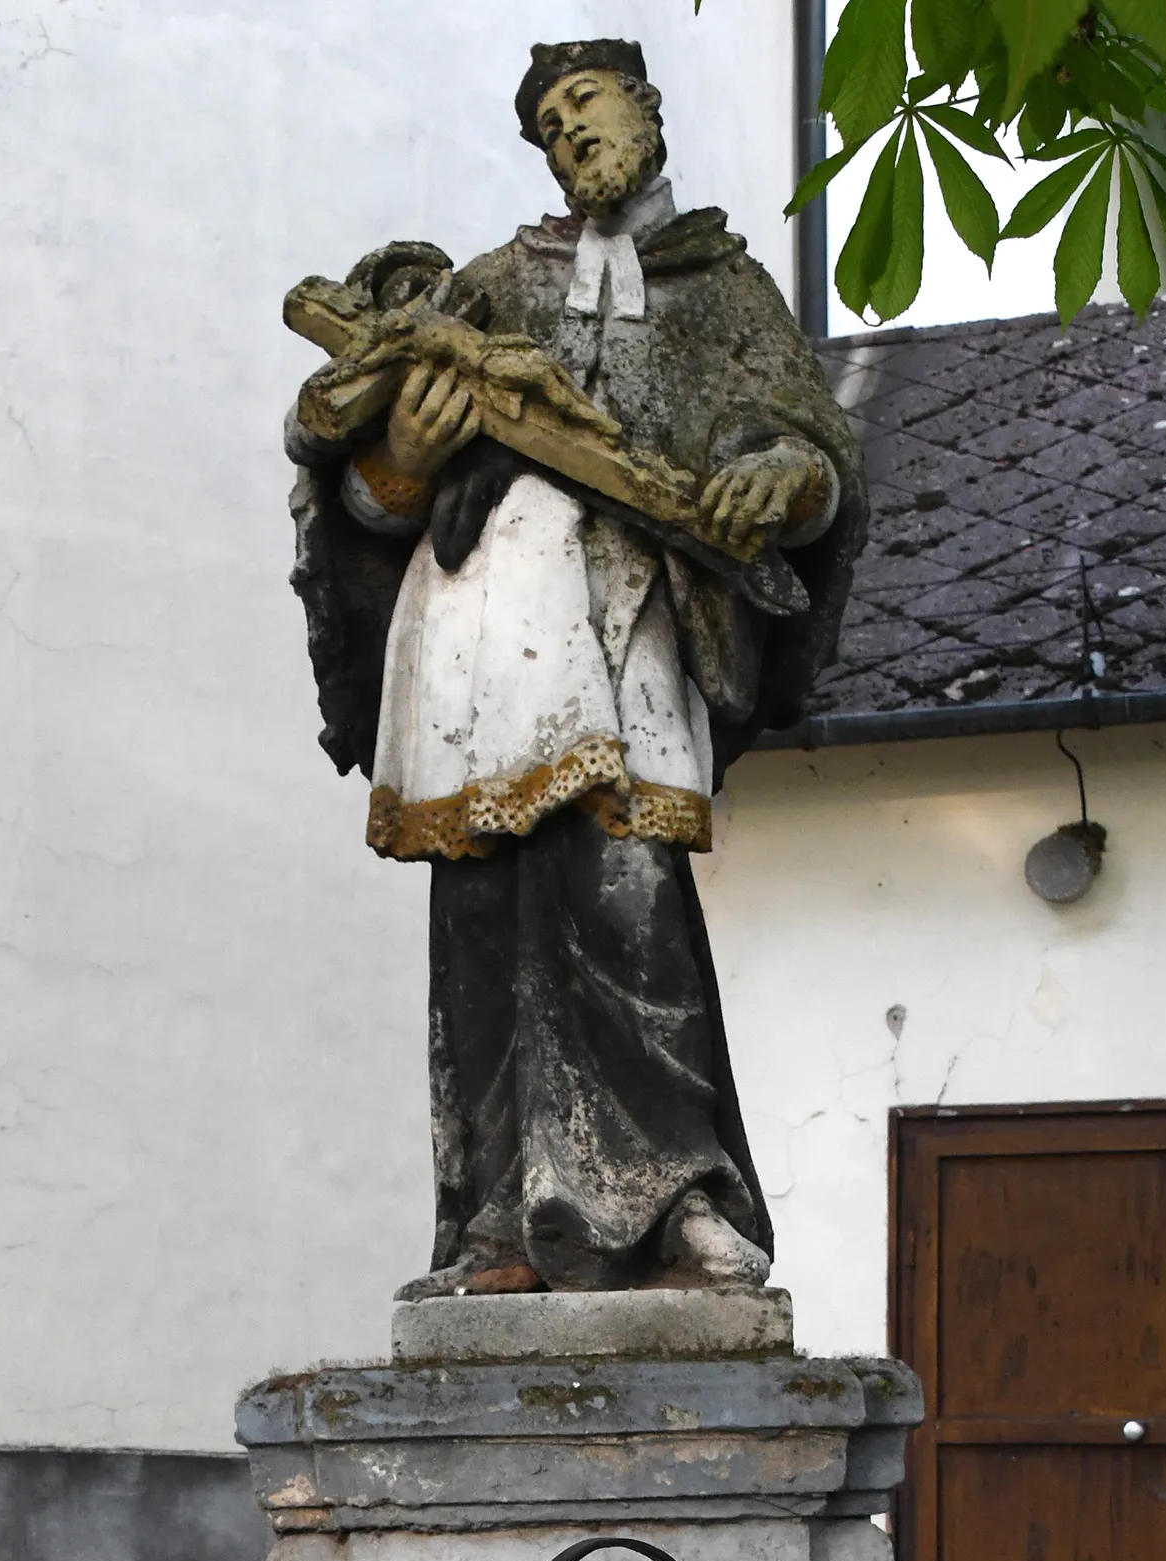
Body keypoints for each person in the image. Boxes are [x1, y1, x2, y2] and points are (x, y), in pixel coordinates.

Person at [289, 40, 867, 1298]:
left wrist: (793, 478)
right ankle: (498, 1226)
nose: (570, 136)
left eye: (584, 106)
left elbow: (809, 440)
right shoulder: (489, 289)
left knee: (629, 898)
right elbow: (362, 496)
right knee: (484, 918)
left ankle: (685, 1205)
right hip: (479, 626)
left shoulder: (724, 289)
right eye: (547, 125)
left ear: (646, 108)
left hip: (629, 620)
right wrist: (396, 462)